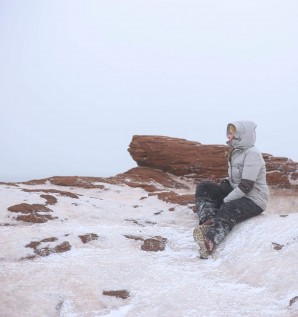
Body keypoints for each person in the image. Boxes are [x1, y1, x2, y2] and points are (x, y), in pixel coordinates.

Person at [193, 120, 269, 259]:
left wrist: (225, 200)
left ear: (242, 134)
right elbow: (233, 180)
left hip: (254, 199)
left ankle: (210, 240)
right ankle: (208, 220)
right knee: (205, 187)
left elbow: (246, 186)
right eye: (229, 132)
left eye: (232, 132)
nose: (229, 135)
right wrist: (222, 189)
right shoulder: (235, 152)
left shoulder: (252, 154)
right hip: (238, 192)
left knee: (228, 207)